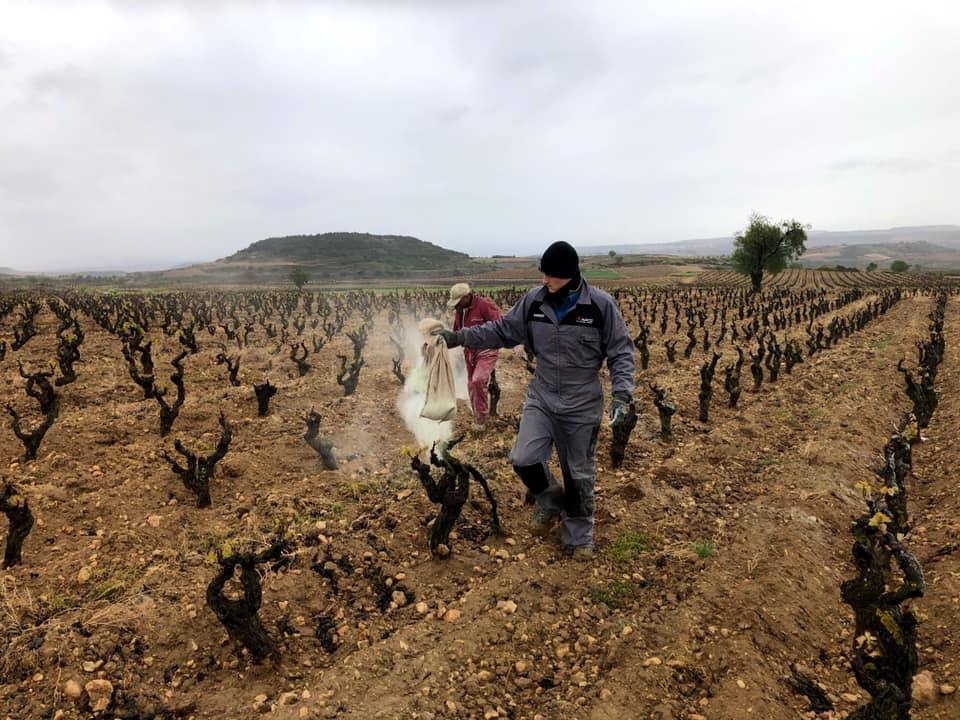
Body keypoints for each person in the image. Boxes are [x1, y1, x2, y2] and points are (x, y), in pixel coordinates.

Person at [436, 241, 635, 559]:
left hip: (582, 399)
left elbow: (621, 351)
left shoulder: (599, 305)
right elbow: (501, 330)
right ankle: (551, 498)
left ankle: (578, 536)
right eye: (544, 274)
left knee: (578, 471)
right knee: (523, 458)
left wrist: (622, 395)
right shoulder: (534, 301)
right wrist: (460, 338)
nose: (546, 281)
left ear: (571, 275)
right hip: (542, 394)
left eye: (553, 276)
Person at [447, 283, 502, 427]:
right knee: (471, 384)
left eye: (458, 301)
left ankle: (481, 417)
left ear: (466, 297)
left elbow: (498, 326)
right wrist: (441, 343)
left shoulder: (484, 305)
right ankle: (477, 415)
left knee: (478, 380)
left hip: (487, 350)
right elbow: (456, 334)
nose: (456, 305)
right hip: (470, 352)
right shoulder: (460, 310)